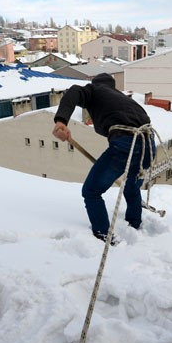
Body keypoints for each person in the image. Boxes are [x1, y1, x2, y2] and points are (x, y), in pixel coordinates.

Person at [52, 73, 155, 243]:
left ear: (95, 84)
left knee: (91, 191)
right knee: (131, 186)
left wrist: (61, 120)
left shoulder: (95, 90)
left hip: (125, 144)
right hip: (149, 145)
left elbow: (73, 91)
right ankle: (134, 224)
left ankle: (102, 235)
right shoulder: (123, 99)